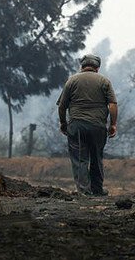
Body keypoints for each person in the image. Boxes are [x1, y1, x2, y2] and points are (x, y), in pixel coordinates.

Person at [56, 54, 117, 196]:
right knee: (96, 157)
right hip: (98, 127)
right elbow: (113, 104)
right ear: (97, 68)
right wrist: (113, 124)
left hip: (77, 126)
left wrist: (63, 122)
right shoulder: (105, 81)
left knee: (80, 159)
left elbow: (62, 106)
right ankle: (97, 189)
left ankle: (84, 191)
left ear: (81, 67)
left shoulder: (72, 81)